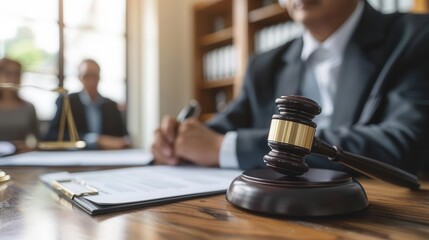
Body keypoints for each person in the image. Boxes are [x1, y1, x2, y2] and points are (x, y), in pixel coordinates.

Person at [151, 0, 429, 175]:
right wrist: (177, 140)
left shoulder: (415, 37)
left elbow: (405, 144)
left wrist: (225, 148)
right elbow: (222, 129)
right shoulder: (264, 64)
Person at [45, 59, 130, 150]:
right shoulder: (66, 102)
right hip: (74, 158)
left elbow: (123, 137)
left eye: (94, 76)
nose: (91, 81)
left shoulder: (111, 106)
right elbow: (52, 135)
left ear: (99, 77)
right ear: (79, 77)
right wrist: (94, 140)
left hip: (107, 158)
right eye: (86, 76)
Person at [0, 58, 39, 147]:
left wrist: (29, 147)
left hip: (21, 157)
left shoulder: (28, 107)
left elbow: (38, 139)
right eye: (8, 73)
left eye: (17, 74)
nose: (13, 78)